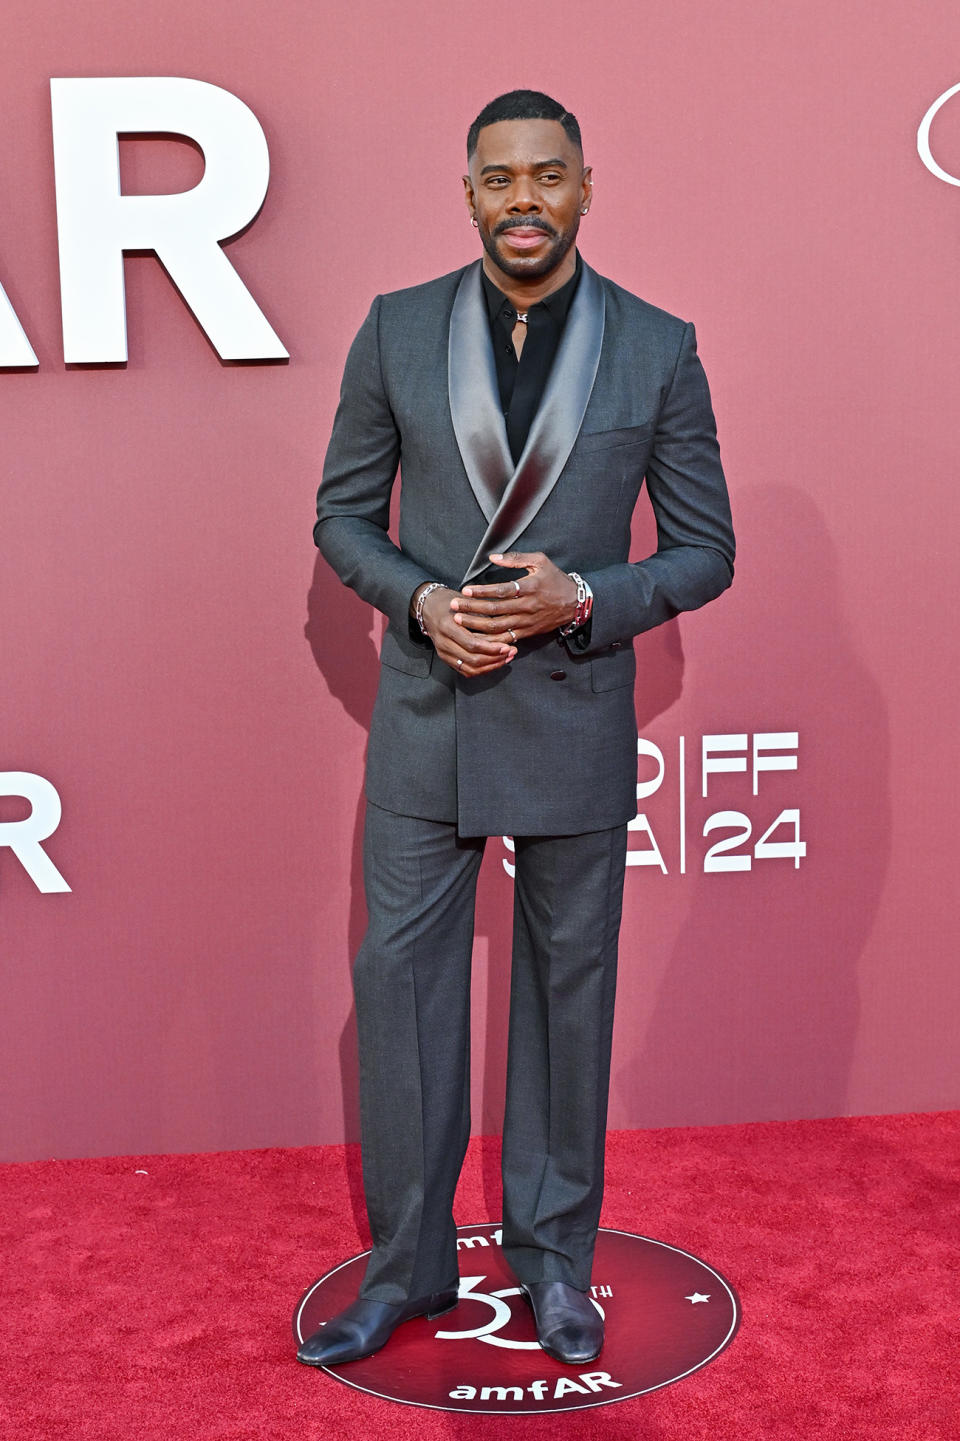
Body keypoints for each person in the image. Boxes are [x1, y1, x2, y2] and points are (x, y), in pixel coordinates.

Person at [297, 89, 734, 1369]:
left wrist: (591, 597)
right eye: (501, 178)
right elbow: (340, 519)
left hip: (571, 719)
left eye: (549, 174)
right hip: (427, 720)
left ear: (587, 187)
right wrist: (422, 602)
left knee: (566, 1001)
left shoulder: (657, 346)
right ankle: (405, 1272)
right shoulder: (395, 331)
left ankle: (556, 1270)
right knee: (406, 999)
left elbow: (705, 552)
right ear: (471, 192)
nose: (525, 198)